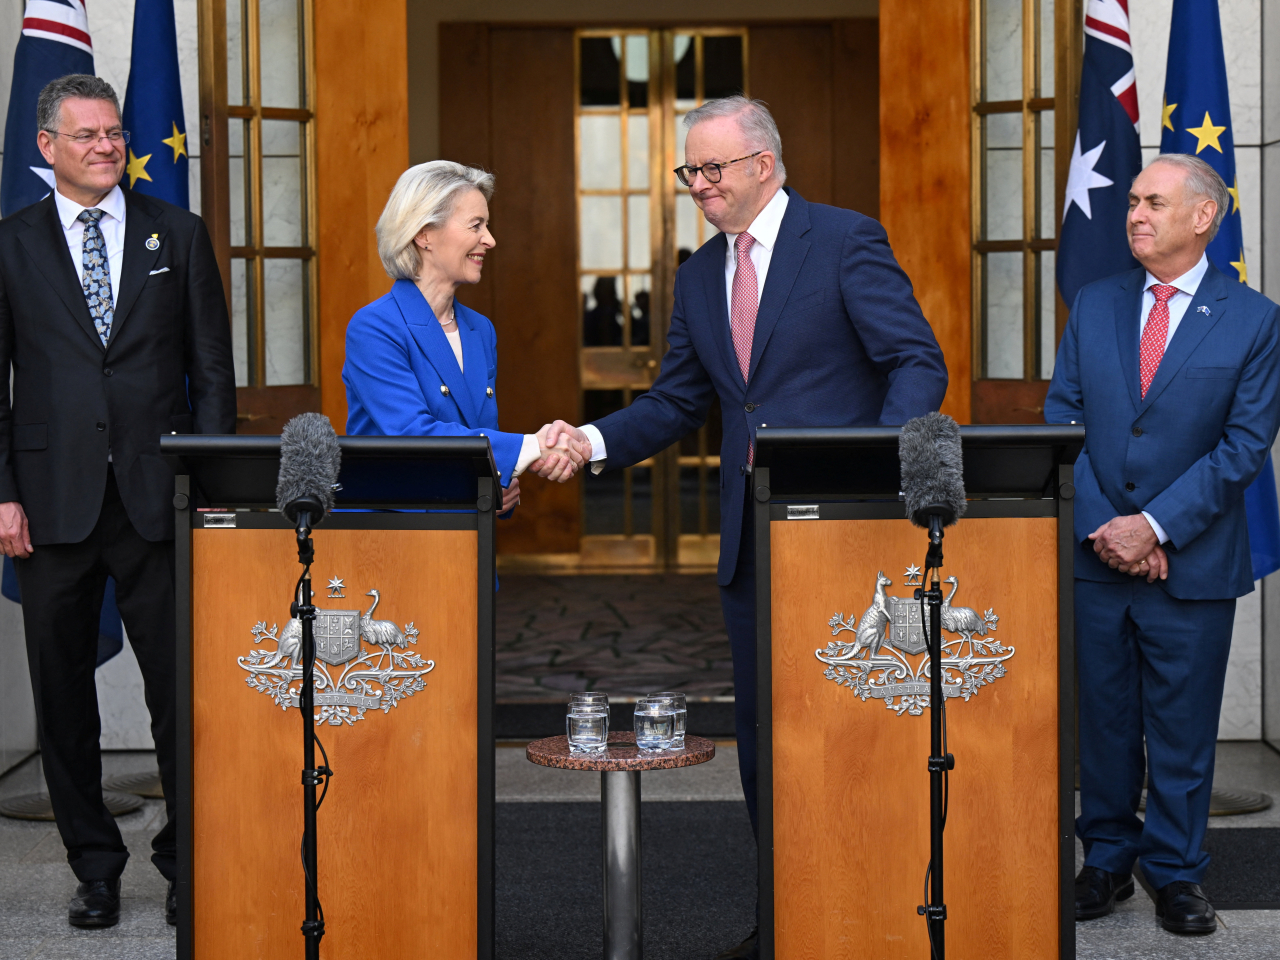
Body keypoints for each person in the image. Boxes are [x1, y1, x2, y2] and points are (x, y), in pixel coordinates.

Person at [537, 96, 948, 960]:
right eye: (689, 171)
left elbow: (916, 360)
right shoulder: (698, 275)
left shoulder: (843, 240)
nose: (697, 185)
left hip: (844, 540)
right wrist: (593, 440)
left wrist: (874, 475)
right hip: (753, 551)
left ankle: (874, 917)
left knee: (853, 732)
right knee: (767, 746)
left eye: (710, 169)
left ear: (764, 163)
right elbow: (683, 399)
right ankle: (788, 922)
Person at [0, 74, 236, 928]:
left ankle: (183, 862)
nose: (106, 146)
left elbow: (211, 371)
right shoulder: (11, 242)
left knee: (182, 696)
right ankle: (94, 868)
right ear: (47, 147)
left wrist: (207, 487)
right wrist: (3, 496)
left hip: (159, 499)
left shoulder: (177, 231)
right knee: (64, 703)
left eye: (113, 133)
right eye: (87, 134)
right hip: (50, 503)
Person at [1045, 154, 1280, 935]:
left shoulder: (1252, 319)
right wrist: (1106, 524)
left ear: (1202, 217)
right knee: (1104, 724)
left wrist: (1154, 526)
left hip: (1194, 562)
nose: (1135, 214)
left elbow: (1243, 447)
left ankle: (1176, 874)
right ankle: (1106, 861)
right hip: (1095, 556)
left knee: (1182, 730)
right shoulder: (1096, 301)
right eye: (1133, 201)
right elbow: (1061, 423)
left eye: (1153, 202)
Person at [343, 161, 579, 499]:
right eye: (476, 225)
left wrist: (496, 493)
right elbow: (412, 435)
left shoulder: (479, 329)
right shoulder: (374, 327)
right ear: (424, 234)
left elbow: (481, 438)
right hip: (392, 538)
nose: (490, 240)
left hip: (465, 534)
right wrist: (530, 447)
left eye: (487, 225)